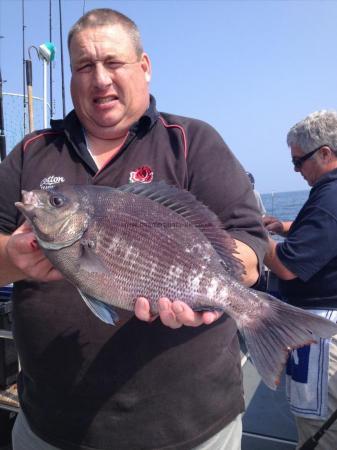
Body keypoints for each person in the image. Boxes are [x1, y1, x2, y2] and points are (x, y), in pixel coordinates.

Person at [0, 9, 267, 450]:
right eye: (84, 66)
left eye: (113, 62)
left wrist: (206, 287)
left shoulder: (192, 141)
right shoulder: (31, 152)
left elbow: (250, 246)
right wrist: (11, 258)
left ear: (143, 66)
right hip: (50, 427)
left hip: (191, 430)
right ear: (71, 75)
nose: (99, 79)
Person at [263, 110, 337, 450]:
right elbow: (324, 230)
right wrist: (284, 227)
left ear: (325, 153)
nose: (297, 170)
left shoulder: (328, 198)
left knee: (318, 433)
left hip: (322, 333)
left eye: (299, 162)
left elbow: (286, 267)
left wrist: (252, 233)